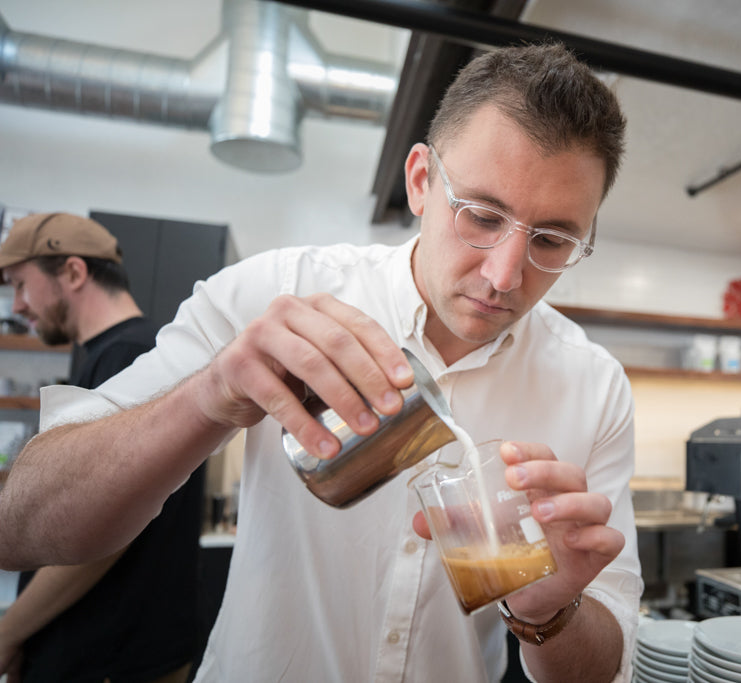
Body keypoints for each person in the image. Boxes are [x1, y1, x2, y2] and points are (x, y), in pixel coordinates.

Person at [0, 42, 641, 682]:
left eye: (553, 240)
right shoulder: (275, 292)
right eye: (480, 215)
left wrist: (548, 614)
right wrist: (210, 393)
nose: (504, 276)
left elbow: (606, 667)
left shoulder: (593, 385)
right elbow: (19, 525)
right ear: (421, 181)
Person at [0, 213, 205, 683]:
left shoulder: (125, 358)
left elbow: (93, 528)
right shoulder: (131, 352)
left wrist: (8, 633)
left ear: (73, 273)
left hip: (109, 657)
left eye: (21, 285)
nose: (19, 305)